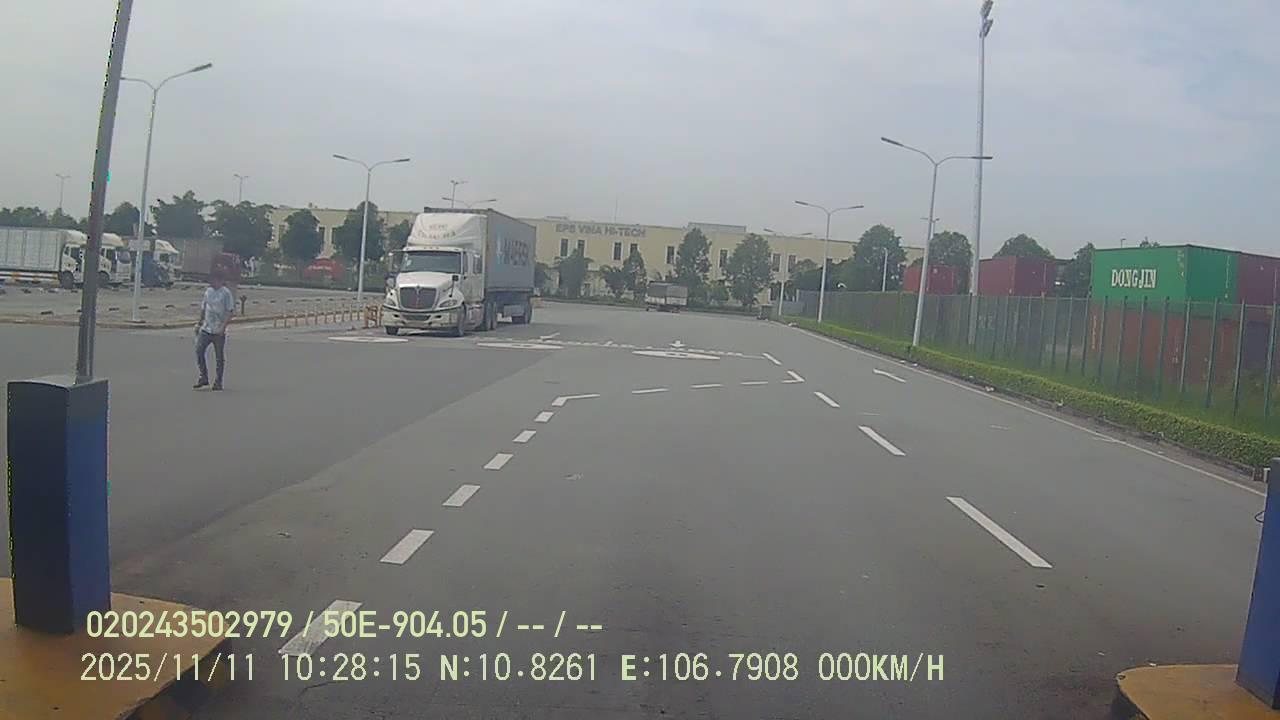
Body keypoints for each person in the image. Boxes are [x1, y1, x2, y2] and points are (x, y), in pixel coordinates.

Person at [194, 272, 235, 390]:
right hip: (206, 328)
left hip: (218, 329)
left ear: (220, 280)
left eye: (214, 280)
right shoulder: (208, 292)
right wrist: (199, 323)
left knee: (219, 356)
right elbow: (204, 308)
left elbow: (230, 311)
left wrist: (223, 327)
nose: (212, 282)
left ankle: (218, 381)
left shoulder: (226, 293)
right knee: (199, 350)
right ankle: (203, 376)